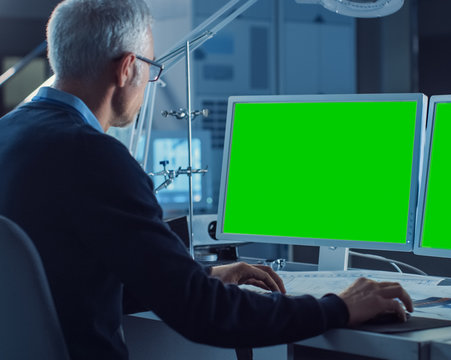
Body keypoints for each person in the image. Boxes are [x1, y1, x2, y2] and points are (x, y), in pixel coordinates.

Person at [0, 0, 413, 359]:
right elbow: (204, 315)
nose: (151, 80)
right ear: (127, 69)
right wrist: (336, 307)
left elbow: (57, 286)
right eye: (152, 67)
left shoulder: (9, 135)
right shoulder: (96, 157)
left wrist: (196, 276)